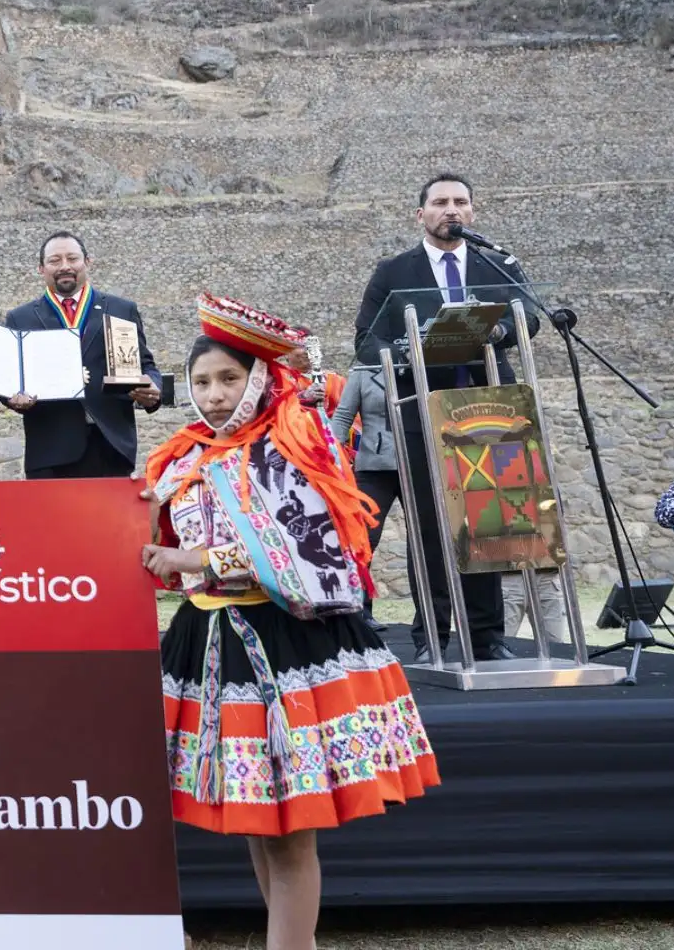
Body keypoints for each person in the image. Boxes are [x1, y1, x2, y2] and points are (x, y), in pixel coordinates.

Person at [143, 299, 438, 950]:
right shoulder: (180, 461)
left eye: (228, 379)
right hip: (210, 644)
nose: (214, 395)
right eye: (201, 382)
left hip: (284, 648)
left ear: (256, 379)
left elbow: (314, 550)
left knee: (287, 827)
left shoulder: (294, 445)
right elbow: (170, 559)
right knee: (257, 819)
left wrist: (198, 558)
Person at [353, 171, 540, 662]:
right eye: (440, 202)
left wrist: (498, 332)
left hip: (490, 409)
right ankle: (431, 636)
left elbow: (531, 315)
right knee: (432, 529)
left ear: (472, 212)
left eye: (460, 202)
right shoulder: (394, 272)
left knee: (487, 523)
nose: (450, 210)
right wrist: (406, 349)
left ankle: (487, 638)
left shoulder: (494, 262)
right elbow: (365, 339)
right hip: (421, 411)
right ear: (421, 214)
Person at [3, 231, 162, 477]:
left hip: (111, 446)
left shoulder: (121, 309)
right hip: (50, 451)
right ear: (41, 268)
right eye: (55, 260)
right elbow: (9, 380)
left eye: (72, 258)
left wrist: (154, 389)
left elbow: (147, 366)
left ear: (88, 262)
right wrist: (11, 398)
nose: (65, 266)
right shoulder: (20, 318)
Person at [329, 364, 395, 634]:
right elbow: (343, 416)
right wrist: (332, 458)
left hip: (417, 462)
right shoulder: (363, 372)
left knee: (427, 543)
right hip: (374, 466)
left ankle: (431, 620)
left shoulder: (419, 366)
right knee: (364, 539)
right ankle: (359, 610)